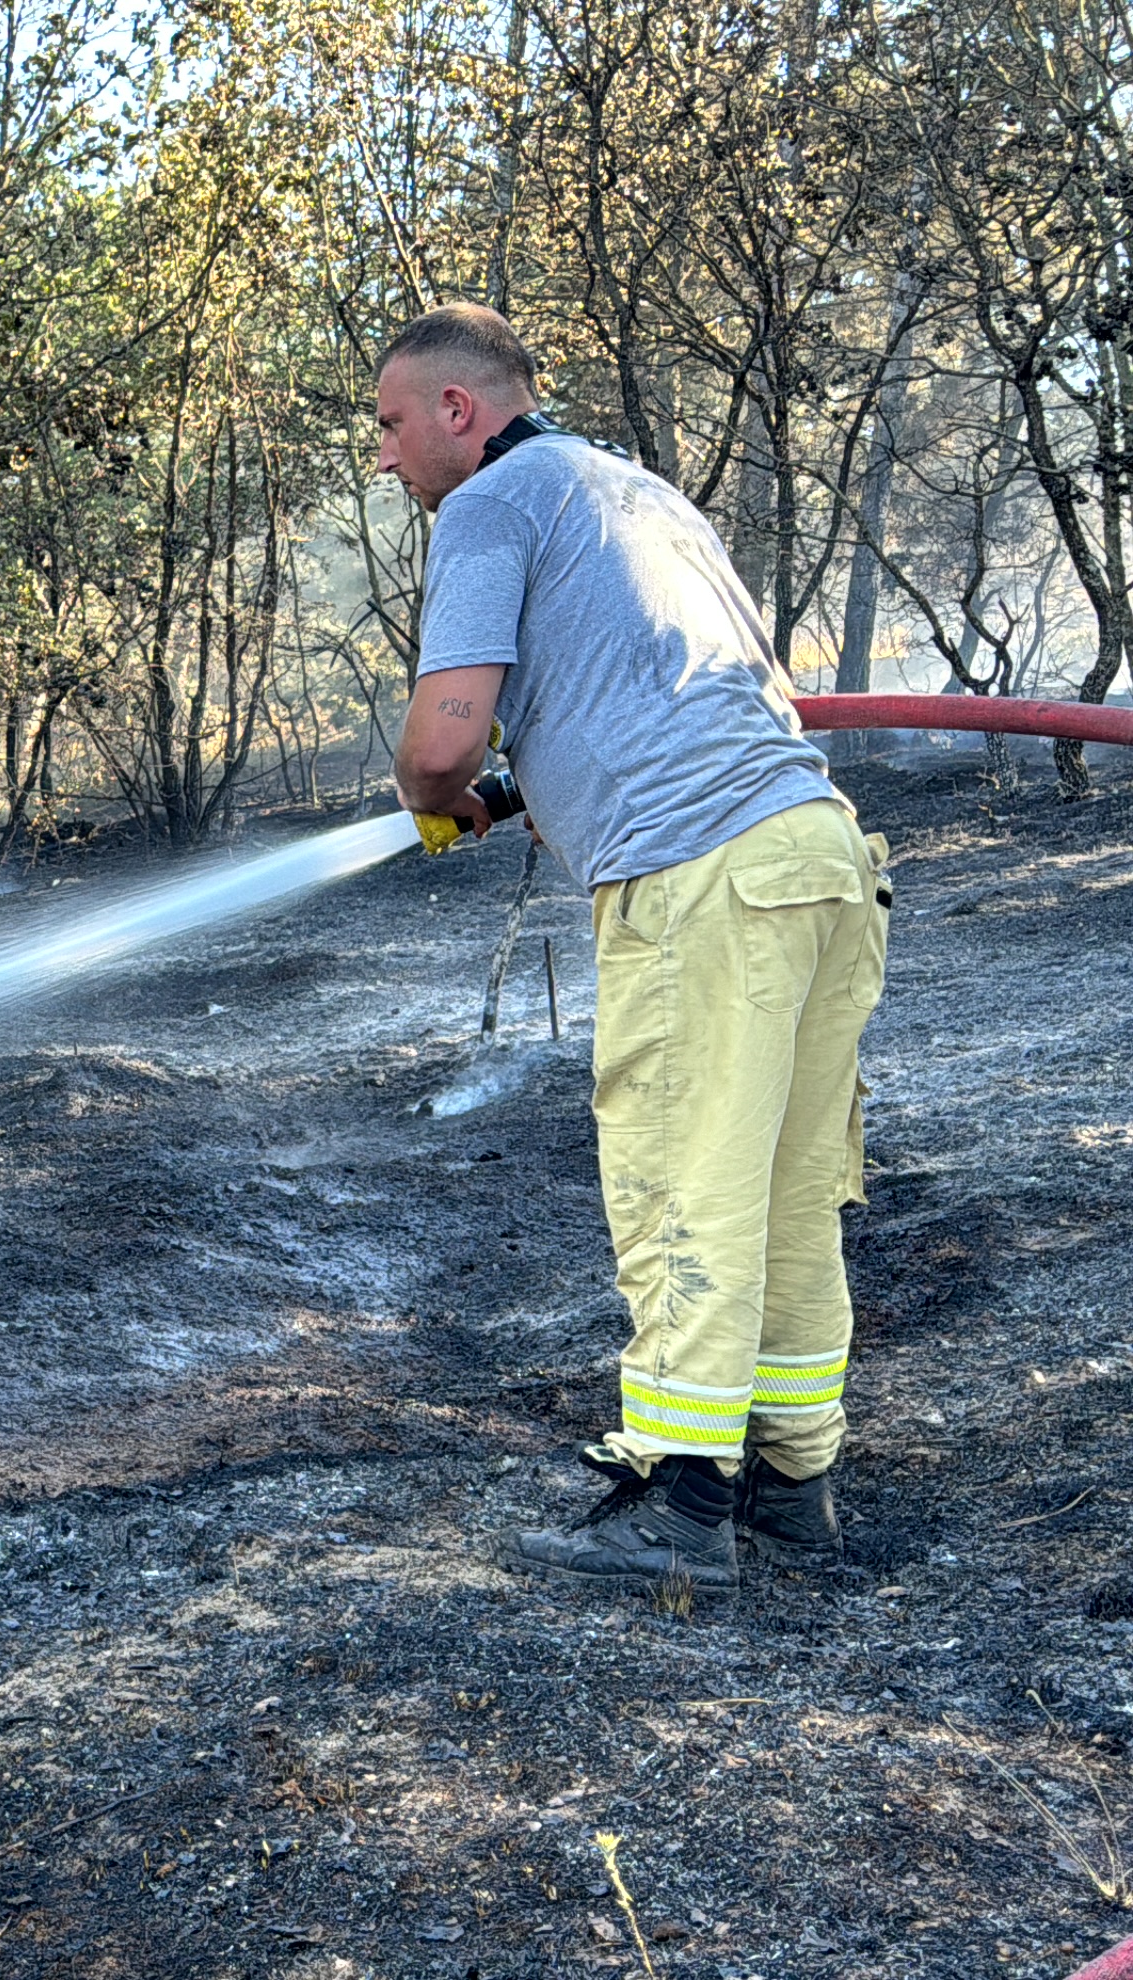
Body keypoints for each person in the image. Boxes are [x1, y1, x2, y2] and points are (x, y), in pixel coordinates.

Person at [377, 302, 892, 1598]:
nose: (383, 458)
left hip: (700, 885)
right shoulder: (640, 496)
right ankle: (792, 1486)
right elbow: (656, 704)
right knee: (783, 1191)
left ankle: (682, 1498)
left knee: (681, 1178)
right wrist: (510, 798)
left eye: (391, 425)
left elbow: (442, 742)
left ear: (459, 410)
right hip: (814, 861)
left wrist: (437, 794)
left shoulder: (491, 506)